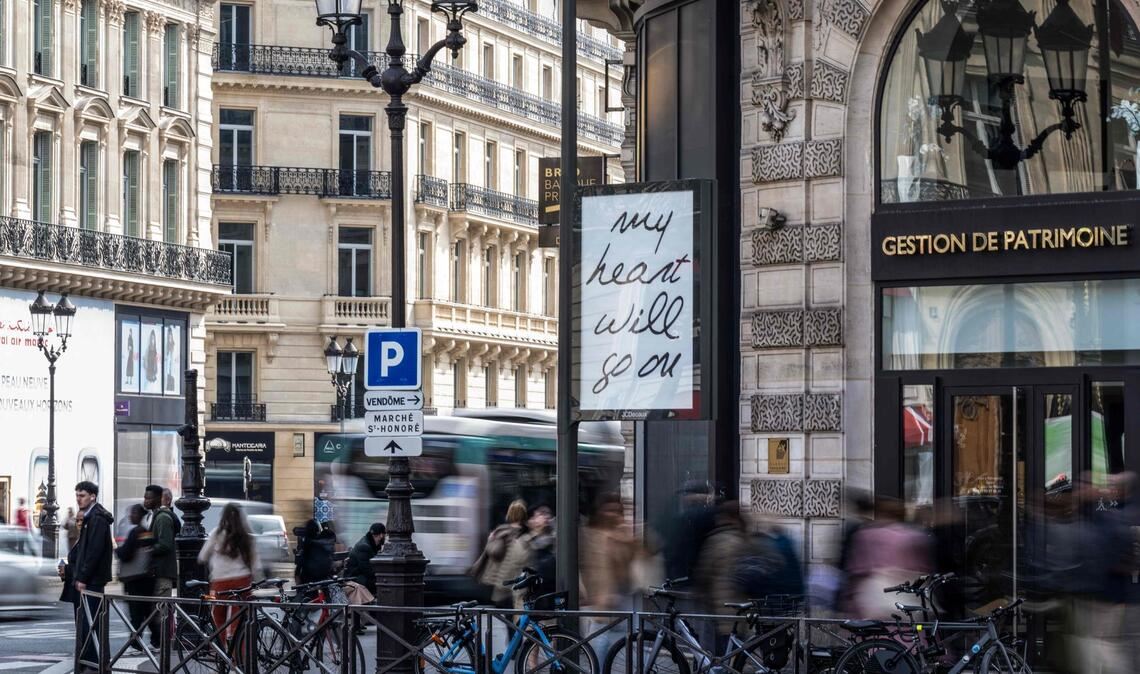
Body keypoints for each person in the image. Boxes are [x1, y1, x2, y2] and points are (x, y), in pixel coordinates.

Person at [61, 481, 114, 673]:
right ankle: (91, 662)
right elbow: (85, 549)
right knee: (88, 622)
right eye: (77, 495)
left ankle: (94, 663)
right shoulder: (91, 517)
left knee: (91, 623)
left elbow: (93, 551)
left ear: (92, 496)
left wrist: (82, 576)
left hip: (92, 580)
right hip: (89, 578)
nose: (78, 499)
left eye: (82, 495)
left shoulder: (97, 518)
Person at [581, 493, 639, 658]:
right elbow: (586, 566)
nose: (613, 514)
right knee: (601, 640)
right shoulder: (591, 534)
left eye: (617, 510)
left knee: (631, 638)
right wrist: (590, 593)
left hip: (623, 593)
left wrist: (625, 540)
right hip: (601, 595)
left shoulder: (623, 533)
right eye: (609, 510)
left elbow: (629, 561)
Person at [198, 503, 260, 648]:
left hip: (220, 583)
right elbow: (256, 565)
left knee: (218, 618)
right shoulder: (247, 537)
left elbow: (202, 556)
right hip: (243, 582)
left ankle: (221, 653)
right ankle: (240, 658)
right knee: (240, 622)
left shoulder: (217, 534)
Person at [470, 500, 529, 607]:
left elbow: (495, 552)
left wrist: (490, 540)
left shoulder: (502, 532)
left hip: (504, 581)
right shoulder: (527, 532)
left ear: (509, 514)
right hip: (522, 579)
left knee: (507, 612)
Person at [115, 504, 154, 651]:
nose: (130, 516)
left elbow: (125, 553)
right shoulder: (146, 532)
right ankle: (154, 639)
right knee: (146, 611)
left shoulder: (135, 532)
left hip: (134, 579)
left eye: (133, 513)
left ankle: (136, 642)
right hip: (145, 578)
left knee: (136, 612)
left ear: (139, 515)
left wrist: (117, 549)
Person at [501, 504, 556, 608]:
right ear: (530, 522)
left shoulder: (555, 541)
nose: (545, 517)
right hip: (528, 603)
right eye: (540, 514)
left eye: (547, 514)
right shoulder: (522, 544)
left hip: (549, 602)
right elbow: (511, 574)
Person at [143, 484, 177, 648]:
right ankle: (160, 643)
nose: (145, 500)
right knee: (157, 610)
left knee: (161, 611)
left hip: (162, 572)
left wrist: (147, 550)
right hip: (158, 571)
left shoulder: (163, 518)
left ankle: (164, 646)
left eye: (148, 497)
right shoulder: (157, 516)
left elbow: (165, 544)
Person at [345, 522, 386, 601]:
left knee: (383, 581)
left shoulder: (372, 544)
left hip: (360, 575)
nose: (385, 537)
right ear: (381, 535)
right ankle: (377, 607)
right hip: (355, 577)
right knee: (383, 582)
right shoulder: (364, 546)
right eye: (385, 534)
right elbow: (367, 570)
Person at [295, 518, 337, 583]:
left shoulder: (309, 543)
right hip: (325, 577)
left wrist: (297, 575)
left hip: (309, 578)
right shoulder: (328, 543)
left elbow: (302, 561)